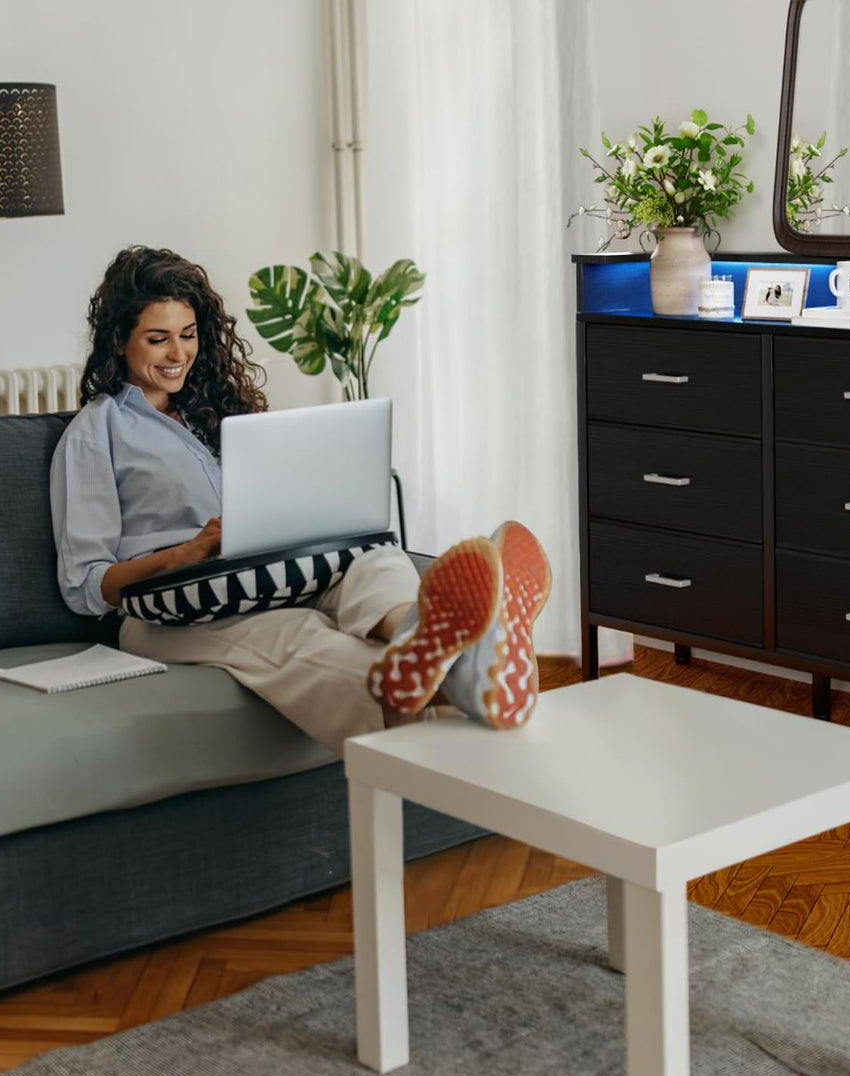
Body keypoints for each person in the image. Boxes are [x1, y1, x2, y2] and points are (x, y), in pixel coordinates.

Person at [50, 246, 550, 756]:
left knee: (375, 559)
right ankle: (458, 674)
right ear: (119, 342)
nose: (178, 354)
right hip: (165, 612)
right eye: (158, 340)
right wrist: (184, 554)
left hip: (257, 574)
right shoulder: (97, 430)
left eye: (188, 335)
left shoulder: (217, 414)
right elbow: (85, 586)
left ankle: (417, 636)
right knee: (301, 633)